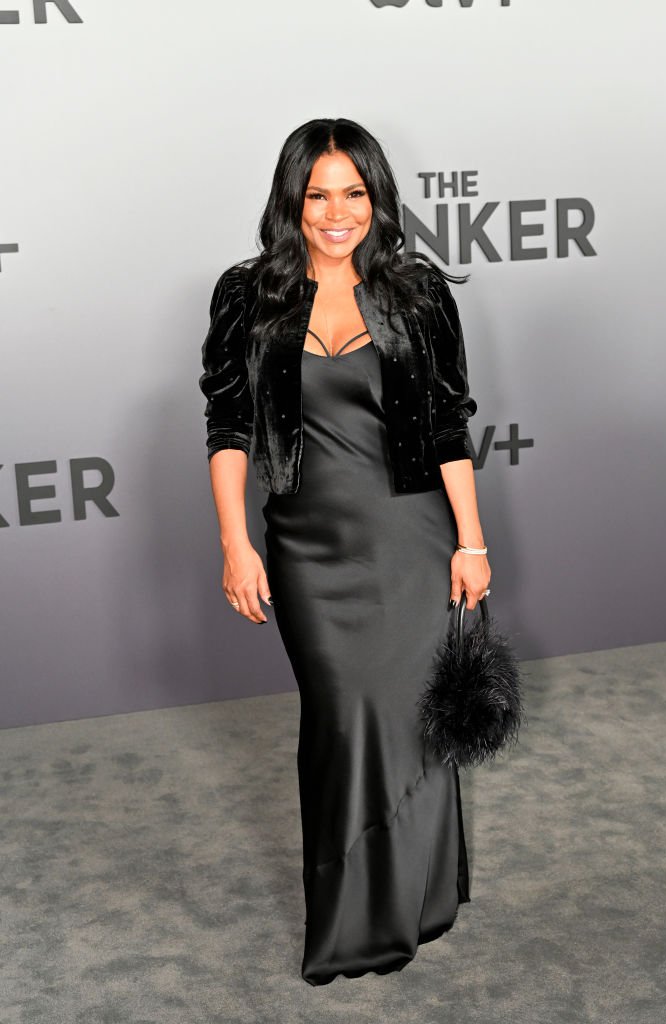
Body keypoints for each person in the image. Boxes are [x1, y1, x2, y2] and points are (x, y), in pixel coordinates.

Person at [199, 117, 491, 985]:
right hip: (307, 548)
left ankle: (421, 897)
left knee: (410, 723)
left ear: (377, 198)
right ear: (292, 200)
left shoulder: (417, 294)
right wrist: (235, 543)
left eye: (353, 193)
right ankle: (353, 919)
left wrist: (471, 543)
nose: (336, 212)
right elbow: (226, 427)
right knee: (338, 723)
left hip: (410, 537)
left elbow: (446, 428)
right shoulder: (247, 296)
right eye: (317, 193)